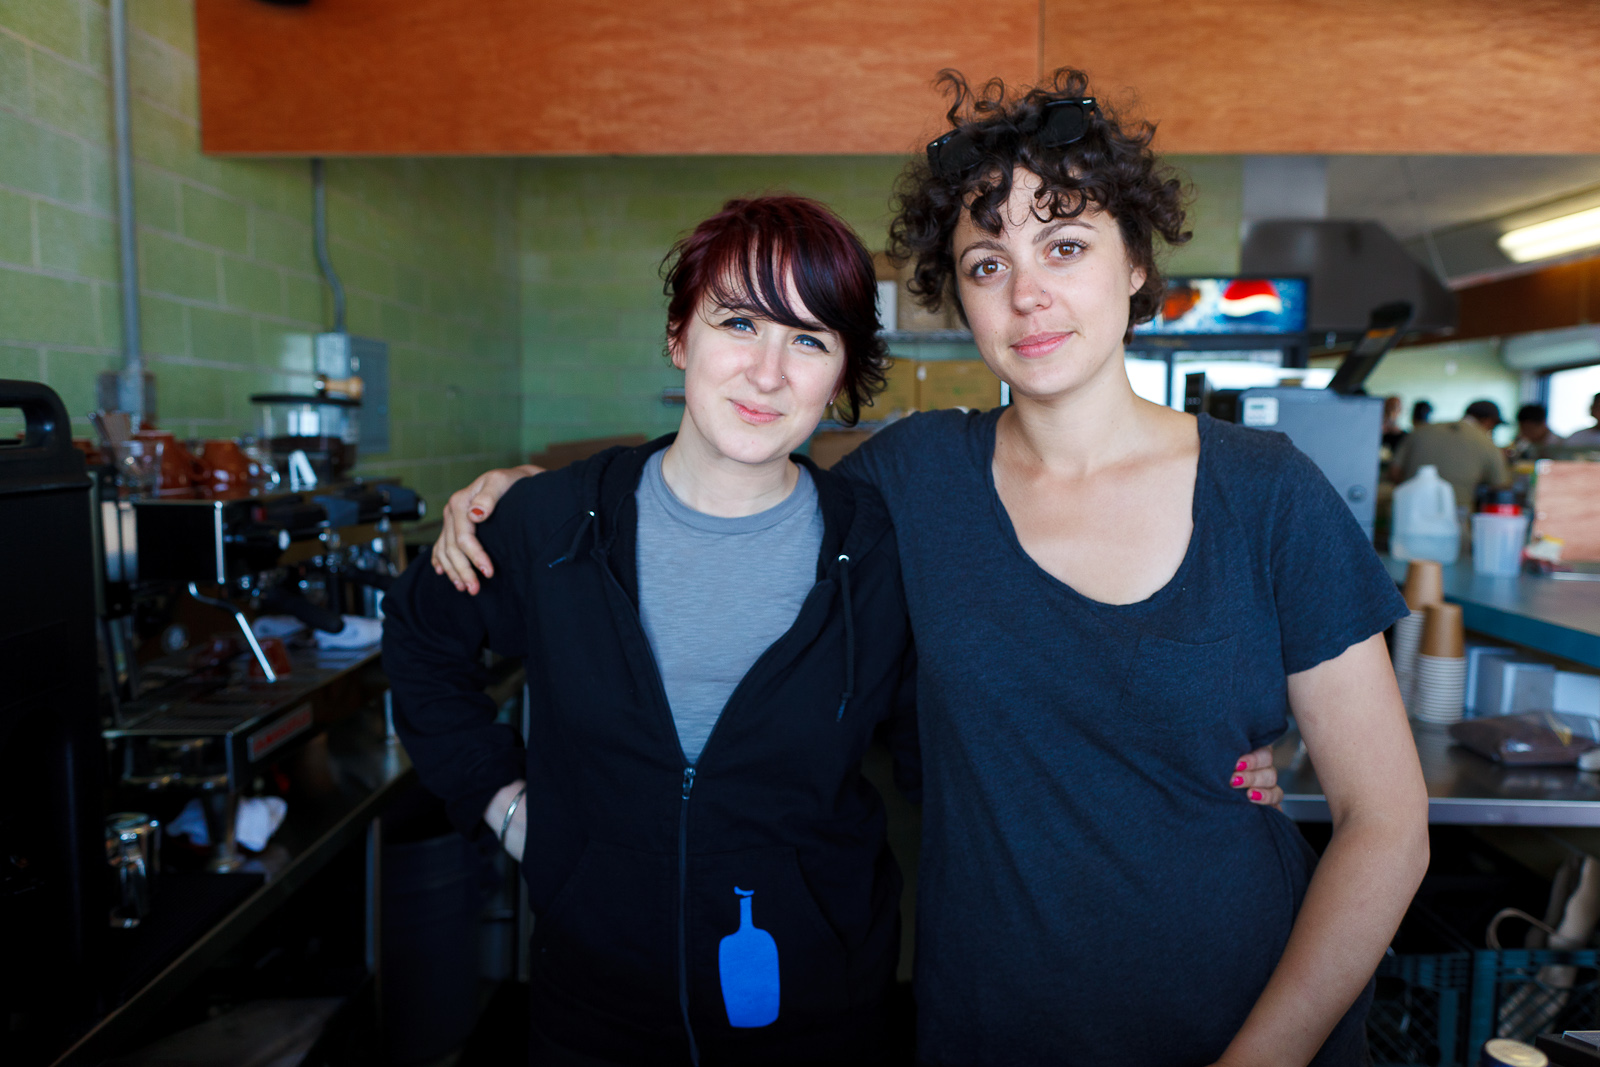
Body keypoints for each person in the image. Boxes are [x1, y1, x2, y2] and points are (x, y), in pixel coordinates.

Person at [431, 70, 1424, 1067]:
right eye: (986, 263)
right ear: (959, 299)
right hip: (991, 1020)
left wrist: (1266, 1054)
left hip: (1245, 1013)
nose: (1027, 290)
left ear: (1134, 266)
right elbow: (731, 462)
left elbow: (1385, 822)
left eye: (1065, 245)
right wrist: (533, 484)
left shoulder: (1265, 494)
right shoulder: (915, 476)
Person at [1391, 398, 1510, 507]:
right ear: (1489, 421)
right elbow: (1500, 487)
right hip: (1457, 517)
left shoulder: (1420, 432)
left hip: (1409, 509)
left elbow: (1394, 472)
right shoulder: (1487, 443)